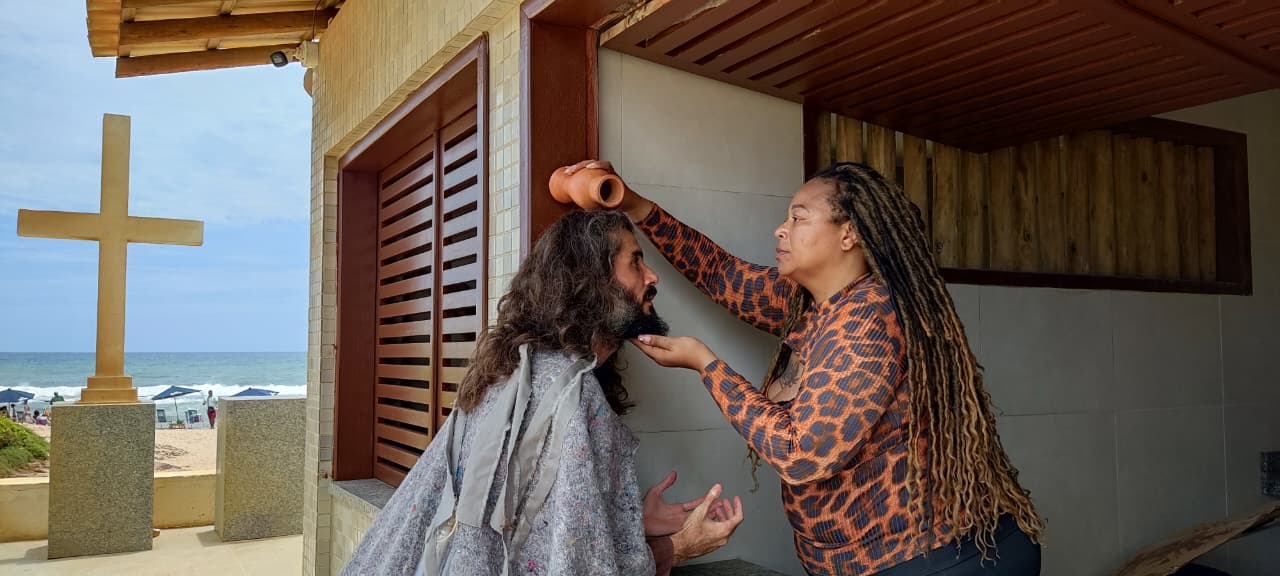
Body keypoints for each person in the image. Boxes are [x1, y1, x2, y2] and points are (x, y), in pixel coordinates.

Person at [565, 160, 1043, 575]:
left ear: (849, 233)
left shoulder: (871, 319)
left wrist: (706, 364)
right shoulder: (809, 302)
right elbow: (719, 273)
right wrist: (631, 203)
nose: (781, 229)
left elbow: (801, 452)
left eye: (798, 217)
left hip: (941, 560)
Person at [343, 210, 744, 576]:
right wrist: (679, 546)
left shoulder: (510, 372)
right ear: (594, 280)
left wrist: (629, 521)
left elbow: (528, 529)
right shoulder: (570, 395)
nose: (652, 277)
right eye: (635, 262)